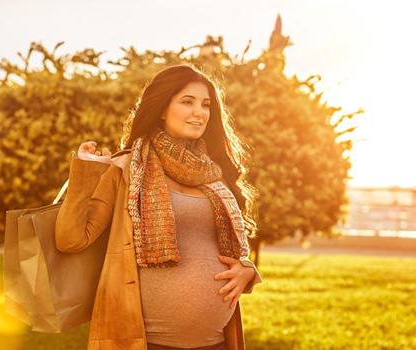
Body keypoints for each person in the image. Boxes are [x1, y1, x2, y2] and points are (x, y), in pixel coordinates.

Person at [55, 63, 262, 350]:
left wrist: (249, 271)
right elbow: (71, 238)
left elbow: (231, 249)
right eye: (187, 102)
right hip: (145, 343)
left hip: (216, 343)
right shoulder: (126, 168)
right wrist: (85, 172)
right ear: (162, 108)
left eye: (205, 104)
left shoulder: (216, 174)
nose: (199, 112)